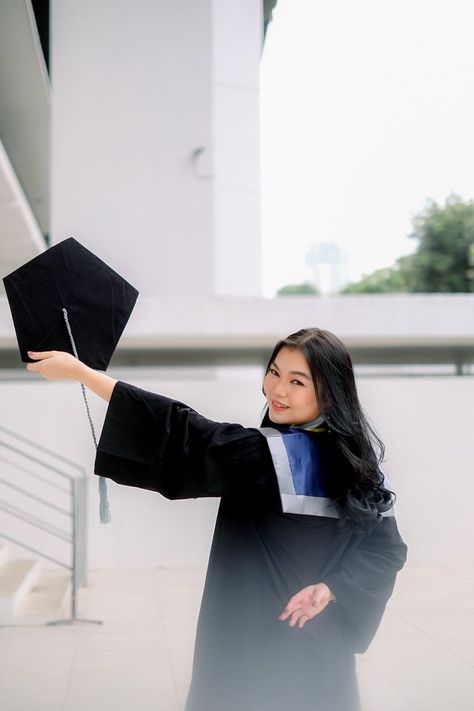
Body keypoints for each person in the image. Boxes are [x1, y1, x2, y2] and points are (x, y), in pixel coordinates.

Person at [27, 328, 407, 711]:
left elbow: (184, 432)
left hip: (258, 648)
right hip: (323, 648)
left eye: (297, 381)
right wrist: (332, 587)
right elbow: (387, 551)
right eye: (274, 372)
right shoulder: (362, 468)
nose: (277, 390)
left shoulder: (272, 457)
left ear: (329, 392)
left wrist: (82, 374)